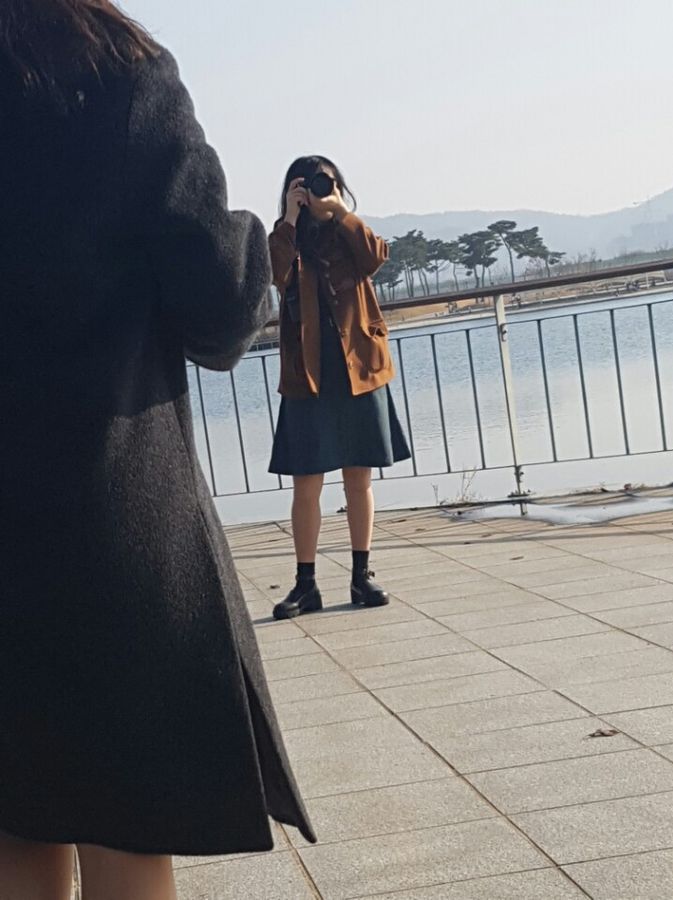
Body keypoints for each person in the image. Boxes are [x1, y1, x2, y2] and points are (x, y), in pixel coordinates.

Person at [0, 2, 315, 898]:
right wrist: (256, 238)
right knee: (123, 826)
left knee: (15, 824)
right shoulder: (110, 69)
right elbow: (218, 311)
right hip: (103, 519)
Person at [268, 156, 411, 621]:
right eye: (307, 185)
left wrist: (342, 213)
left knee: (358, 478)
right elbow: (275, 275)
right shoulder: (286, 238)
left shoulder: (347, 231)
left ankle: (361, 576)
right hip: (308, 373)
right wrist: (290, 219)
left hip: (359, 366)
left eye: (325, 183)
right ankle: (305, 584)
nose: (317, 191)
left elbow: (375, 257)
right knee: (306, 483)